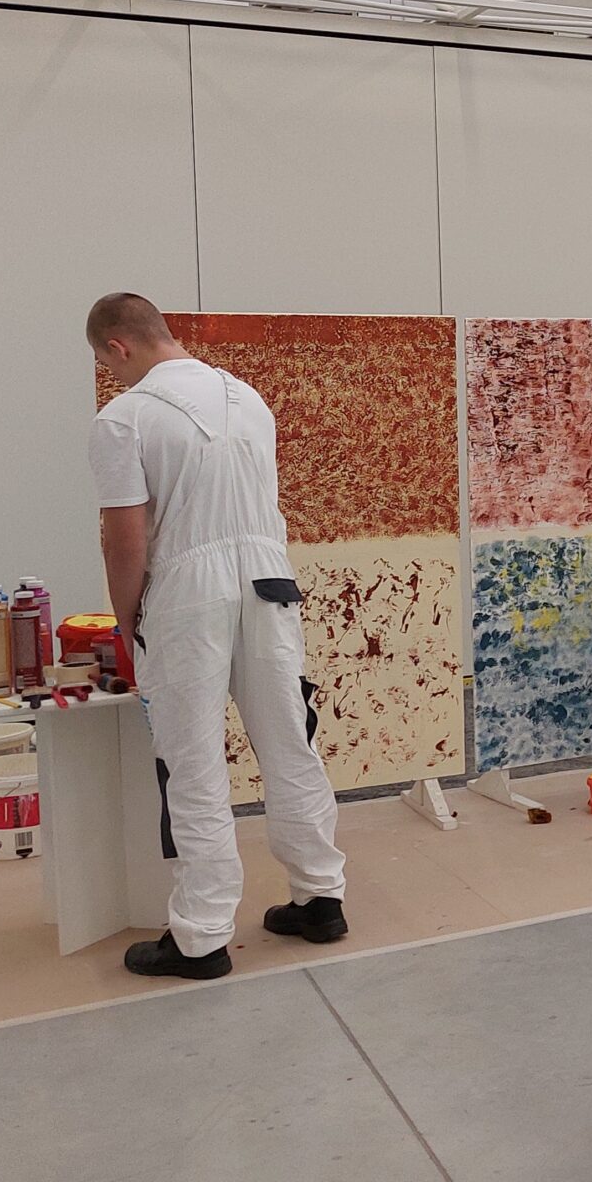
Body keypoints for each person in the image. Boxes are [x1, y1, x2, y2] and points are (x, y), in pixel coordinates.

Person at [86, 293, 348, 981]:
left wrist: (127, 620)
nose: (113, 376)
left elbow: (124, 539)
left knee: (193, 761)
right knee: (290, 742)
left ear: (118, 347)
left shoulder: (124, 419)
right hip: (270, 582)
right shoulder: (248, 399)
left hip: (186, 595)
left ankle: (201, 937)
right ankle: (321, 899)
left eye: (107, 364)